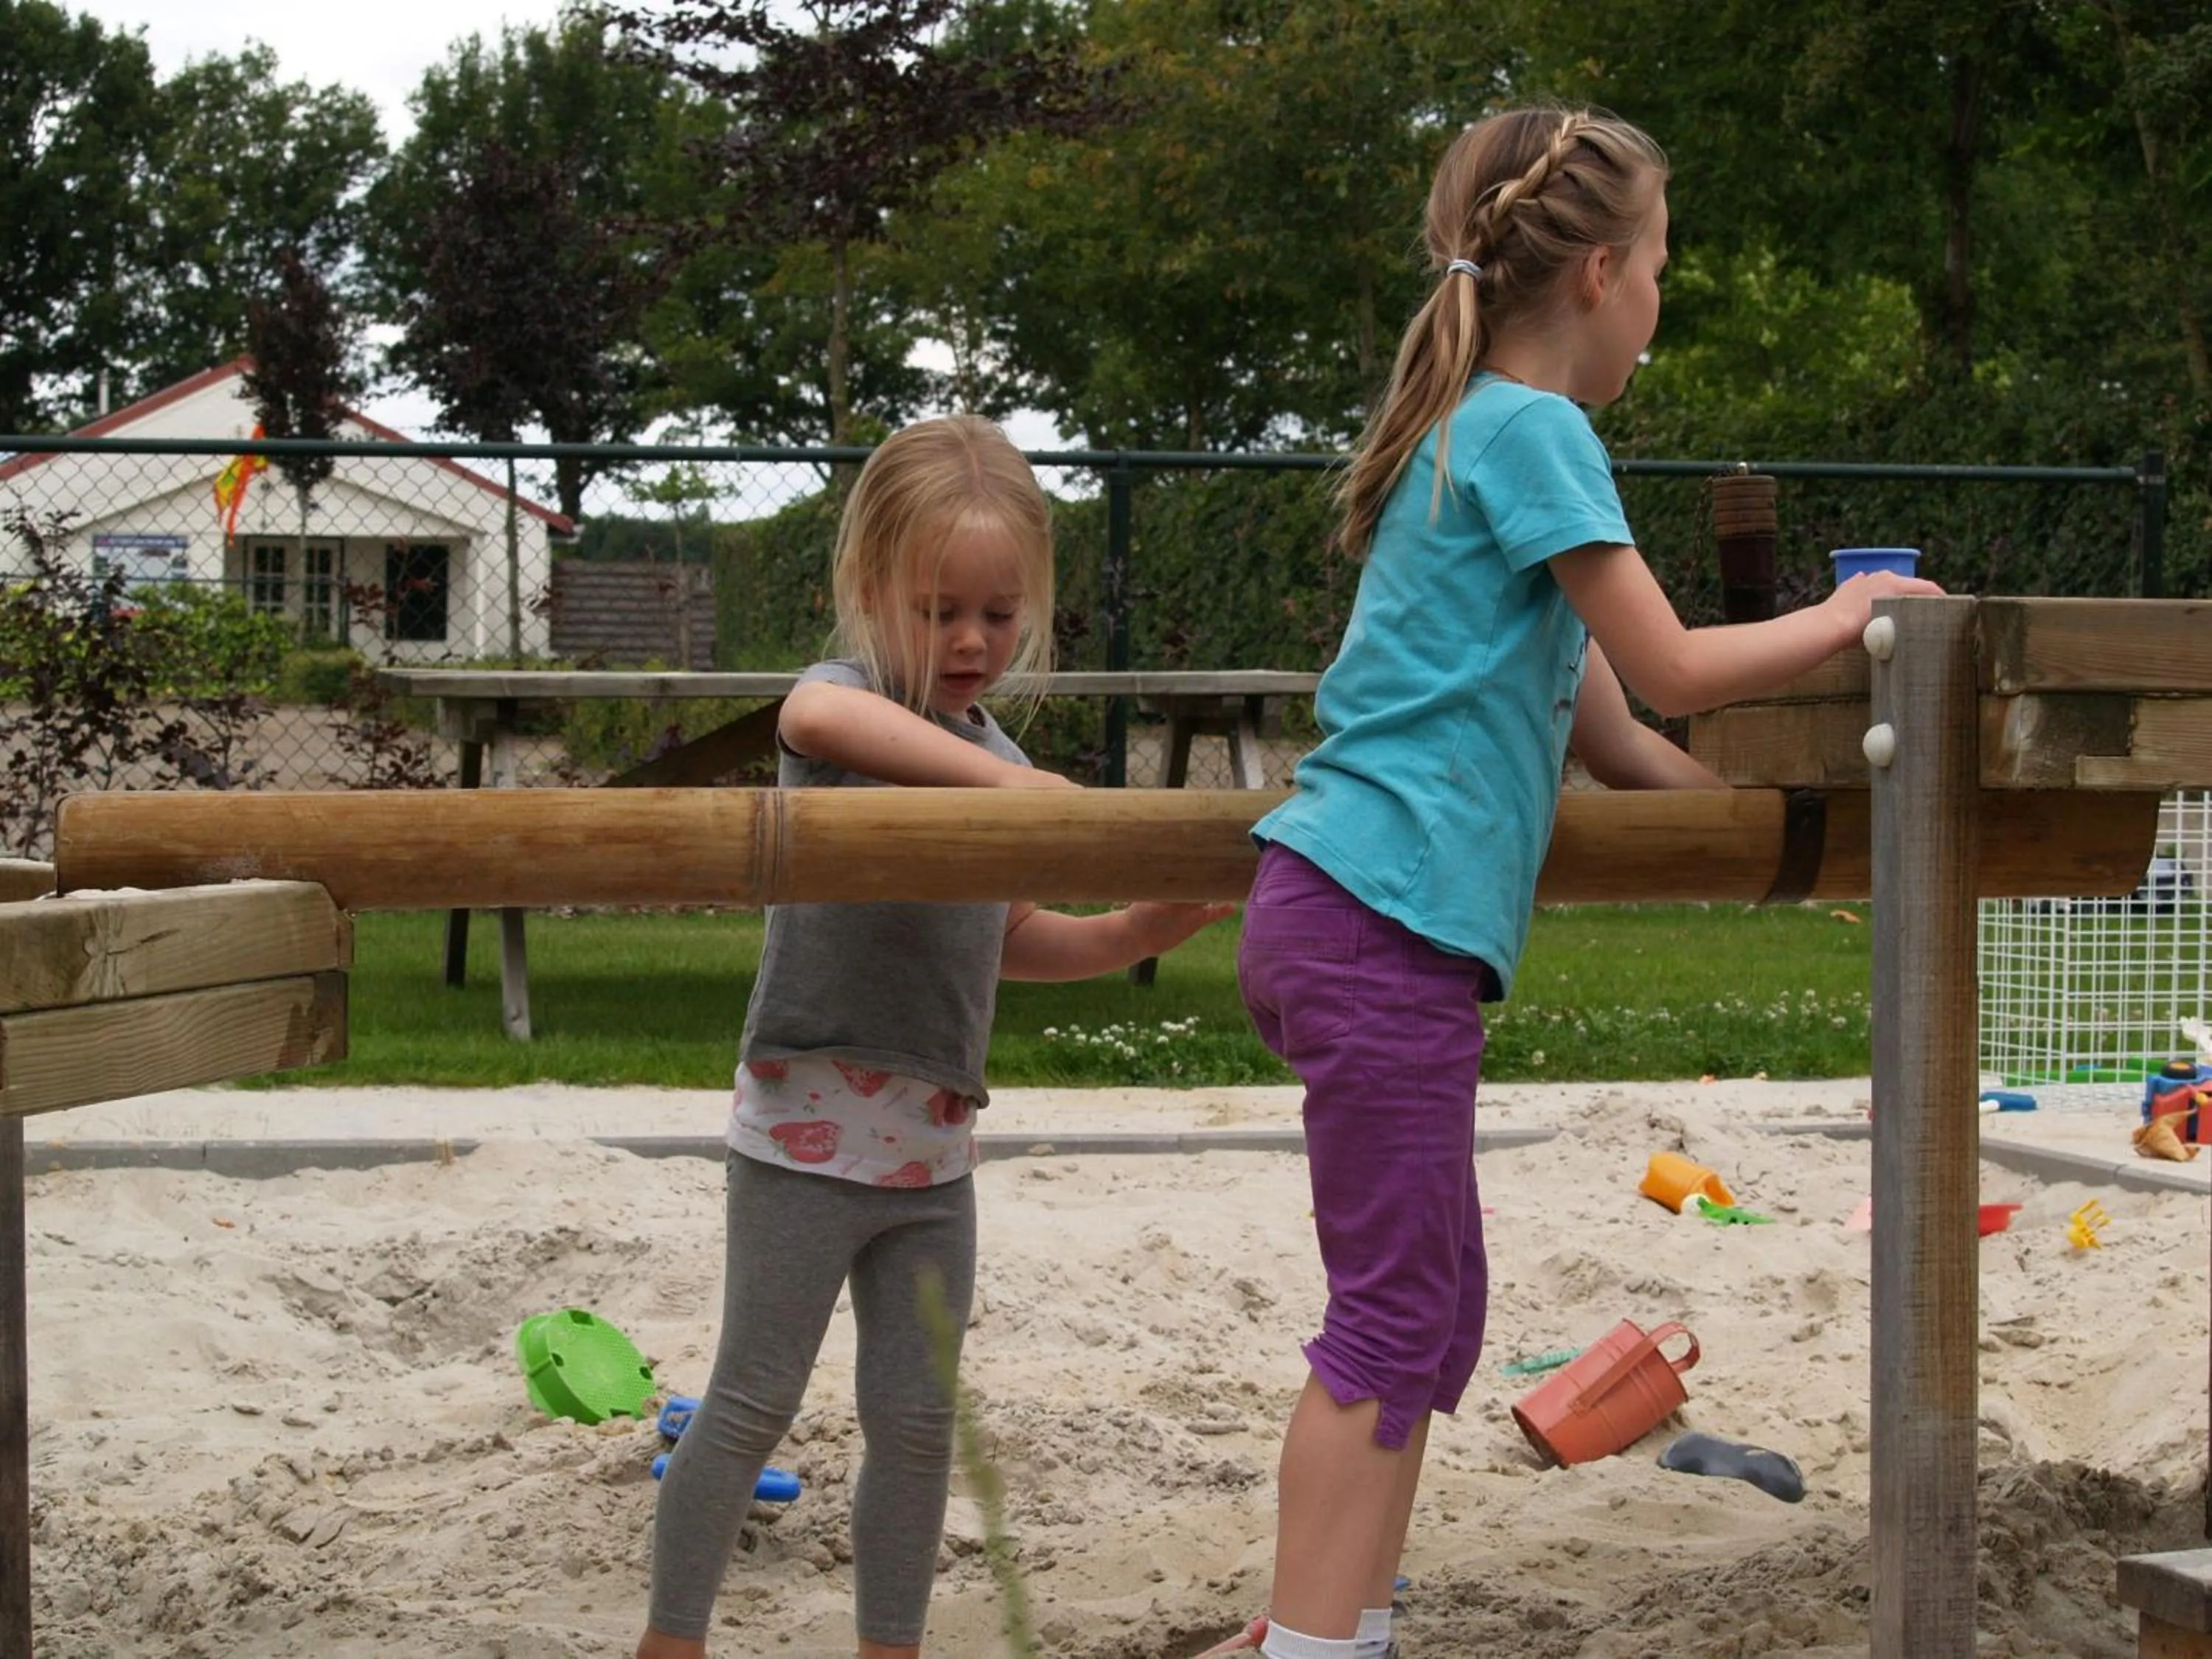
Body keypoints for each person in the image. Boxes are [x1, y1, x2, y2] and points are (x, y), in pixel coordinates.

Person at [1215, 106, 1944, 1659]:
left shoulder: (1466, 434)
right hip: (1378, 923)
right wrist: (1850, 610)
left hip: (1360, 924)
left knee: (1435, 1311)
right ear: (1602, 272)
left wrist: (1782, 849)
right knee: (1390, 1322)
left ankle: (1349, 1617)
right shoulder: (1536, 430)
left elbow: (1614, 729)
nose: (1662, 302)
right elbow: (1673, 658)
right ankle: (1311, 1641)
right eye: (1665, 265)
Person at [635, 414, 1233, 1659]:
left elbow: (1009, 935)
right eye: (937, 608)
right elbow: (811, 715)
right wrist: (1027, 794)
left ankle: (889, 1647)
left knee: (913, 1425)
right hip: (803, 1137)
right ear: (865, 593)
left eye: (998, 614)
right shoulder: (850, 709)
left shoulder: (995, 756)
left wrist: (1139, 924)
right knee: (750, 1405)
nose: (969, 641)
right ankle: (673, 1639)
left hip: (931, 1159)